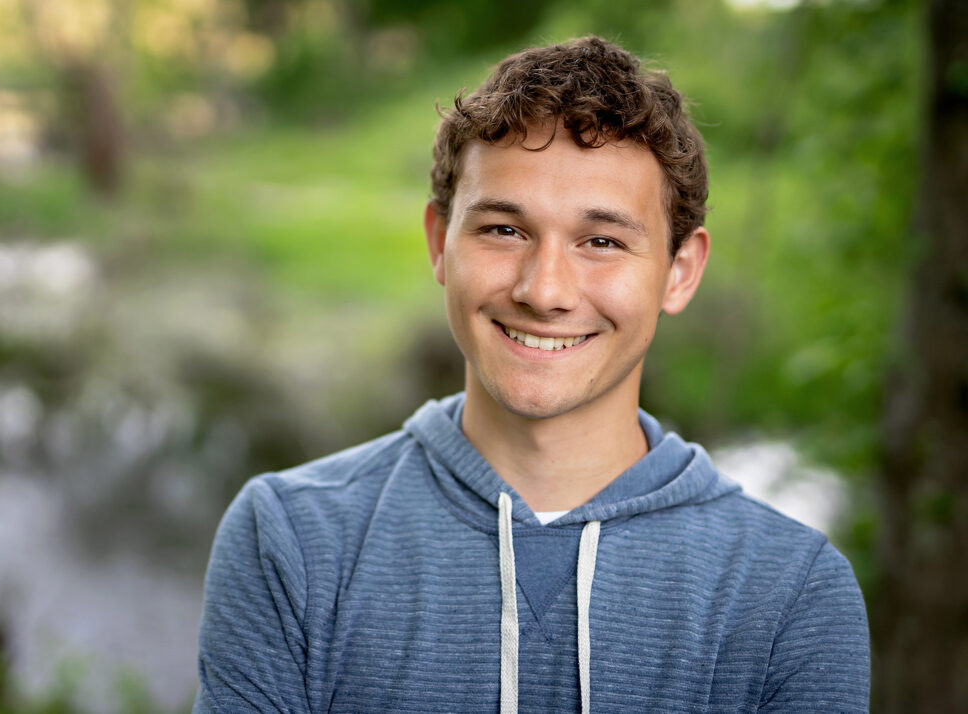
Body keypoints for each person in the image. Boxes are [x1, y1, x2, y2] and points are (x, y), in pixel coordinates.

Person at [193, 36, 870, 713]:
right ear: (439, 242)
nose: (545, 291)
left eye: (601, 242)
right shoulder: (292, 540)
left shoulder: (790, 593)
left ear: (680, 270)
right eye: (503, 230)